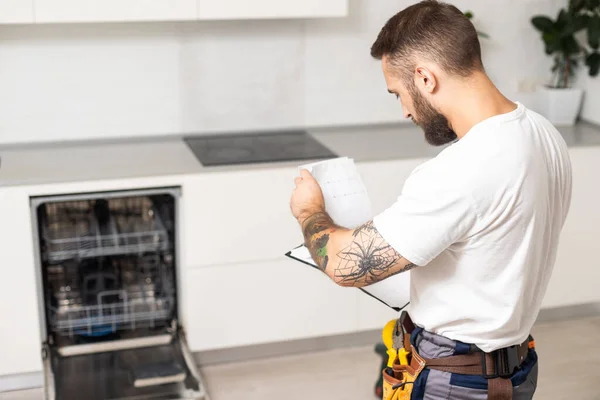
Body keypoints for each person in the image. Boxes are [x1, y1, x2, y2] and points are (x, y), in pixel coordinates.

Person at [289, 1, 573, 399]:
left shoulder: (464, 168)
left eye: (398, 93)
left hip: (456, 379)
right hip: (513, 369)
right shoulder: (543, 133)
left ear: (425, 77)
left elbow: (343, 265)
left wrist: (308, 211)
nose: (405, 111)